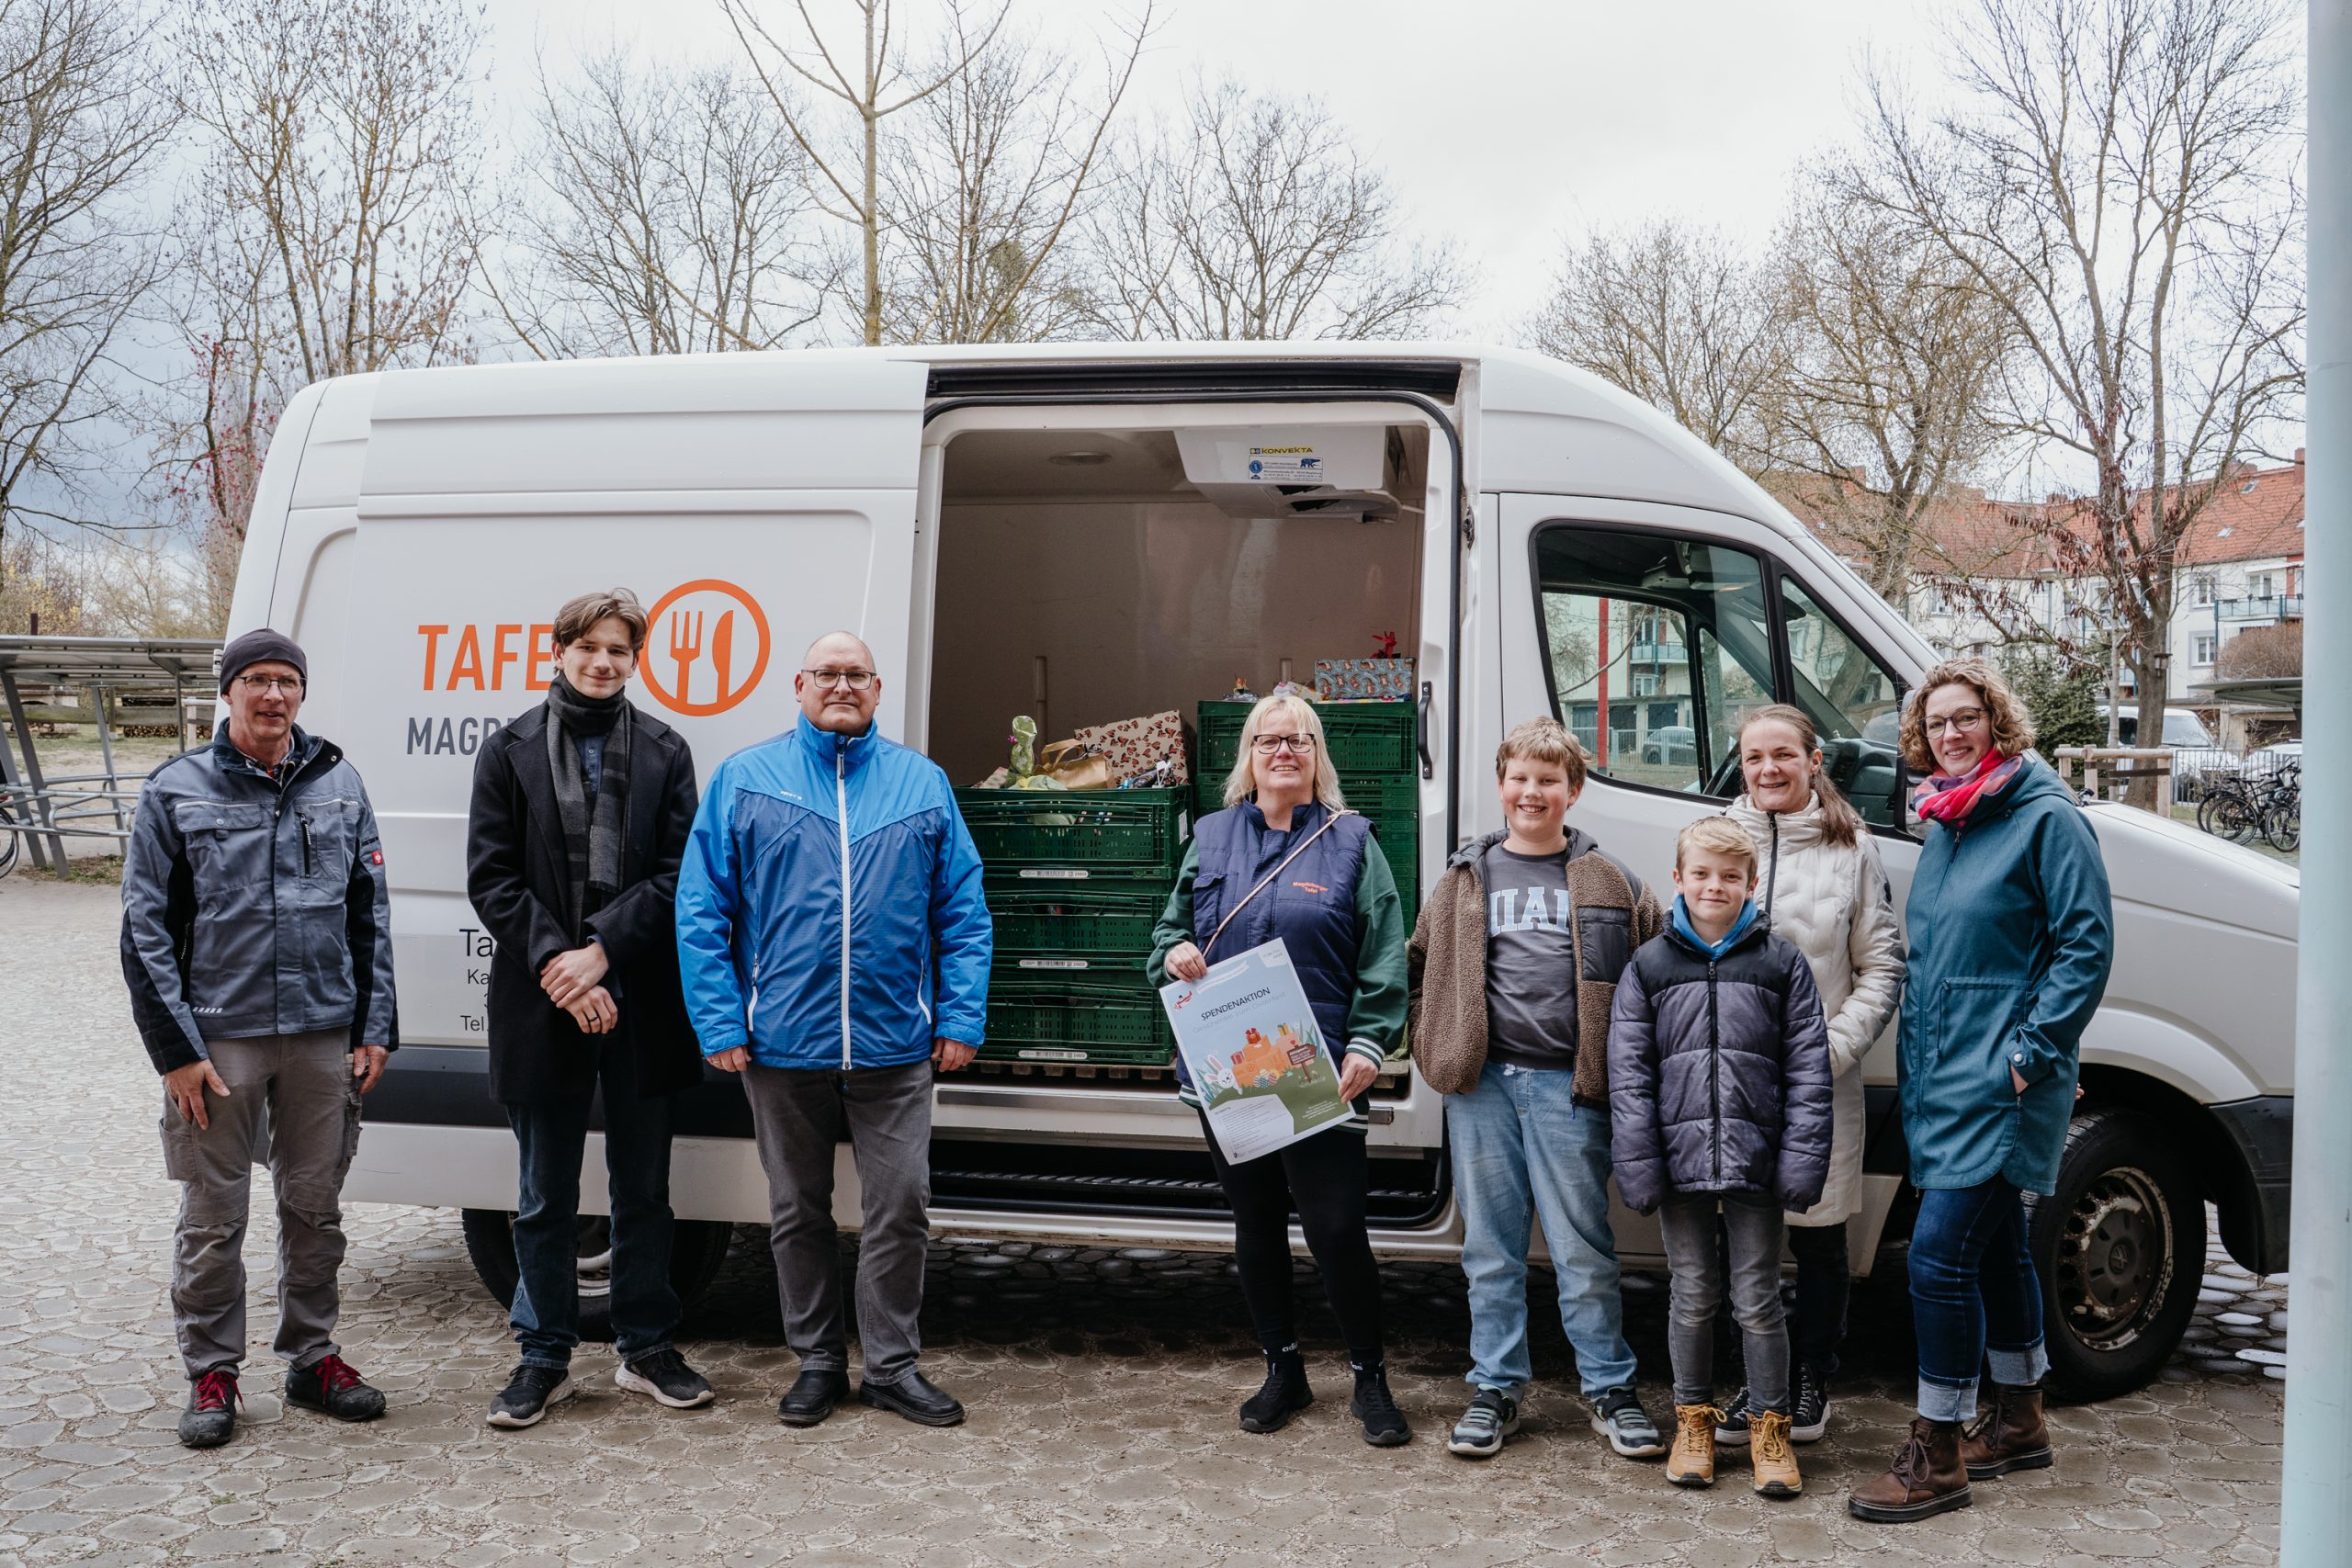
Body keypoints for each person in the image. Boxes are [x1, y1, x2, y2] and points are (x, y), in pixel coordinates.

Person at [675, 631, 991, 1429]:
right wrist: (718, 1018)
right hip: (780, 1041)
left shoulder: (921, 782)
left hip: (894, 1044)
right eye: (828, 673)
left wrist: (958, 1015)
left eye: (857, 674)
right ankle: (817, 1360)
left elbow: (962, 910)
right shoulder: (747, 779)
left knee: (901, 1207)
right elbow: (702, 908)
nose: (842, 685)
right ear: (800, 684)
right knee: (797, 1210)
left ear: (879, 690)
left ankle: (890, 1367)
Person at [119, 628, 398, 1449]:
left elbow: (367, 912)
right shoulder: (176, 789)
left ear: (301, 693)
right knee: (214, 1217)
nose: (272, 695)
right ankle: (213, 1372)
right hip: (220, 1041)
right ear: (229, 692)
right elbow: (144, 932)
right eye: (256, 681)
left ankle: (313, 1358)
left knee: (315, 1208)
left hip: (320, 1034)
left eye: (286, 681)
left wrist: (374, 1024)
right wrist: (175, 1050)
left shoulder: (340, 783)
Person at [1849, 659, 2112, 1524]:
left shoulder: (2045, 817)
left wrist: (2032, 1055)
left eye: (1966, 718)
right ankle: (2022, 1414)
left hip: (2002, 1077)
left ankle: (1941, 1448)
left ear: (1997, 721)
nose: (1950, 735)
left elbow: (2085, 946)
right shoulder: (1953, 821)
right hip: (1945, 1073)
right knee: (1996, 1249)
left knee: (1937, 1258)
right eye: (1935, 725)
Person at [466, 589, 712, 1428]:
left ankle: (646, 1346)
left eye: (620, 649)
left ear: (636, 659)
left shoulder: (668, 753)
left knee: (644, 1190)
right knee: (544, 1195)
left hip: (641, 994)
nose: (603, 662)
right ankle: (543, 1355)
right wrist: (561, 968)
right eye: (589, 647)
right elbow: (491, 878)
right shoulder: (508, 751)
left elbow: (684, 876)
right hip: (543, 1001)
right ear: (559, 649)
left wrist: (602, 950)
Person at [1148, 692, 1412, 1448]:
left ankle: (1370, 1376)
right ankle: (1283, 1369)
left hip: (1321, 1072)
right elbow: (1167, 932)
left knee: (1335, 1226)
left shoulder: (1353, 840)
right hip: (1228, 1073)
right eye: (1270, 740)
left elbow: (1384, 952)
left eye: (1299, 740)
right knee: (1256, 1221)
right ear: (1250, 754)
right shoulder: (1210, 836)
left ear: (1317, 754)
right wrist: (1171, 952)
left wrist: (1369, 1043)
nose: (1284, 751)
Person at [1406, 716, 1667, 1462]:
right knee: (1489, 1247)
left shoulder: (1610, 880)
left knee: (1583, 1247)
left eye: (1549, 780)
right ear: (1500, 786)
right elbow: (1422, 965)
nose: (1532, 791)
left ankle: (1609, 1386)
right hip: (1481, 1087)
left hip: (1570, 1090)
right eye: (1520, 778)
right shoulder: (1464, 878)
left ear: (1573, 791)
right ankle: (1495, 1387)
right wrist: (1435, 1043)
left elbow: (1651, 975)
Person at [1609, 816, 1832, 1497]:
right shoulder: (1649, 965)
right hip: (1678, 1160)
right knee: (1693, 1293)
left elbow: (1809, 1069)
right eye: (1701, 873)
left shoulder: (1780, 962)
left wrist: (1798, 1161)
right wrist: (1640, 1162)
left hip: (1755, 1160)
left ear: (1751, 883)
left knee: (1759, 1297)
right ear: (1677, 878)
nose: (1714, 886)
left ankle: (1770, 1427)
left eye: (1729, 876)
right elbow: (1629, 1072)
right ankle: (1693, 1422)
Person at [1713, 705, 1903, 1449]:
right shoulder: (1719, 842)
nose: (1767, 769)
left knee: (1820, 1240)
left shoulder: (1852, 847)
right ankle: (1752, 1383)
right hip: (1729, 1086)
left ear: (1814, 759)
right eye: (1754, 756)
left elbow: (1882, 966)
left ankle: (1811, 1380)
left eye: (1783, 755)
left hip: (1819, 1081)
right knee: (1742, 1238)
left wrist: (1826, 1053)